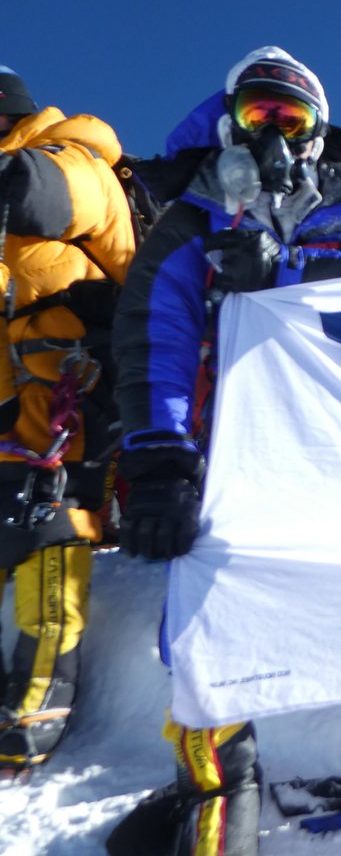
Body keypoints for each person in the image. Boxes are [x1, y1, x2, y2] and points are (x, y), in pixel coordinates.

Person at [106, 46, 341, 856]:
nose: (275, 133)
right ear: (229, 124)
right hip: (233, 446)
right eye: (259, 114)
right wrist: (159, 458)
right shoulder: (193, 215)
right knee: (203, 611)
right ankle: (222, 783)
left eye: (291, 117)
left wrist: (289, 270)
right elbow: (155, 334)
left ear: (317, 132)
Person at [0, 67, 134, 774]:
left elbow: (48, 192)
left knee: (53, 528)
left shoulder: (74, 153)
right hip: (12, 402)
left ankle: (36, 704)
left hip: (67, 398)